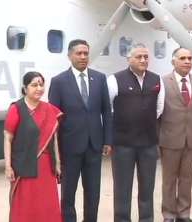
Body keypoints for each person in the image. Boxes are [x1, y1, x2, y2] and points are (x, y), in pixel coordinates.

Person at [48, 39, 112, 222]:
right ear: (70, 56)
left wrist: (108, 140)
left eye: (86, 53)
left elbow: (106, 111)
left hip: (94, 146)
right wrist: (56, 151)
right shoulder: (59, 81)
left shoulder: (99, 78)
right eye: (79, 53)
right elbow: (54, 118)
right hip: (70, 147)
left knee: (93, 192)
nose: (83, 57)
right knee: (68, 194)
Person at [107, 43, 165, 222]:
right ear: (128, 59)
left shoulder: (157, 80)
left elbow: (159, 108)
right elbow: (108, 110)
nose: (143, 60)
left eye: (146, 57)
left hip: (148, 144)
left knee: (147, 188)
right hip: (123, 144)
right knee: (122, 188)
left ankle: (146, 219)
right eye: (138, 57)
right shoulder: (115, 79)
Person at [4, 71, 63, 222]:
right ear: (25, 88)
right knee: (26, 203)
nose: (39, 88)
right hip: (23, 165)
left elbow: (54, 138)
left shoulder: (50, 109)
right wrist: (8, 166)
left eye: (41, 85)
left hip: (45, 166)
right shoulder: (17, 108)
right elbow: (8, 138)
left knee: (46, 203)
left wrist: (57, 163)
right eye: (34, 85)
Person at [159, 47, 192, 222]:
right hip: (170, 140)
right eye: (183, 58)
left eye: (190, 58)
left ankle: (183, 213)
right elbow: (157, 113)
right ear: (173, 61)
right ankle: (169, 214)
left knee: (186, 179)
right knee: (169, 180)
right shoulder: (163, 81)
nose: (187, 61)